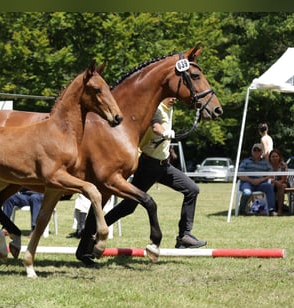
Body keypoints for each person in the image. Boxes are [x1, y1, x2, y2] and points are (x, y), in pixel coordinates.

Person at [76, 97, 206, 267]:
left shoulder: (169, 108)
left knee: (192, 190)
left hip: (163, 166)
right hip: (148, 166)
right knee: (128, 207)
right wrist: (164, 132)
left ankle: (184, 236)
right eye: (170, 95)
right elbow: (155, 125)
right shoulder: (157, 108)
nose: (173, 98)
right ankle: (94, 232)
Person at [238, 143, 276, 215]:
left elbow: (271, 175)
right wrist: (251, 180)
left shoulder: (266, 163)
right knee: (247, 192)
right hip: (247, 183)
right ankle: (242, 210)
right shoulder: (245, 161)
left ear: (262, 152)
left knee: (269, 187)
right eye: (254, 150)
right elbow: (240, 174)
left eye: (258, 150)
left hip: (261, 184)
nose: (256, 152)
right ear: (251, 151)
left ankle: (271, 210)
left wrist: (261, 180)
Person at [268, 148, 288, 216]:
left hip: (282, 182)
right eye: (273, 156)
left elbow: (284, 179)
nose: (275, 158)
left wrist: (277, 182)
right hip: (271, 182)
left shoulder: (283, 165)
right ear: (270, 158)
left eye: (276, 156)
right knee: (272, 185)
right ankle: (271, 209)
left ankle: (280, 210)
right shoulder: (267, 166)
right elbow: (268, 177)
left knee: (281, 186)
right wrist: (274, 182)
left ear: (279, 157)